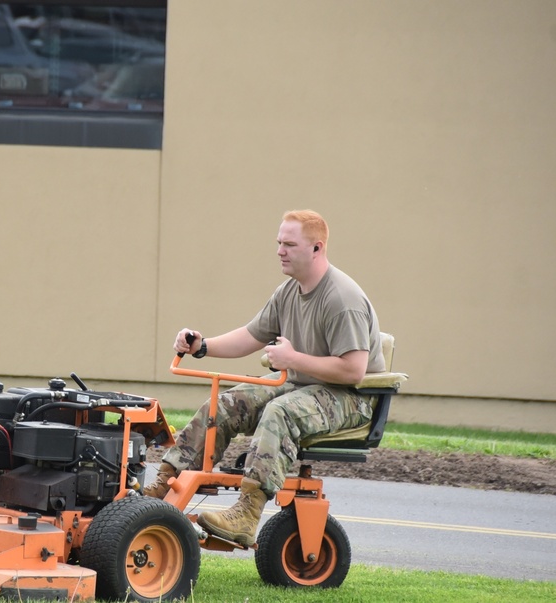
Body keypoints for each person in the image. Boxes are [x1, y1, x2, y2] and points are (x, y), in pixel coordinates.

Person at [144, 209, 385, 546]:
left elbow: (354, 369)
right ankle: (166, 483)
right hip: (303, 387)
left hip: (350, 398)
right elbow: (251, 335)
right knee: (227, 402)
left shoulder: (342, 298)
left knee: (279, 412)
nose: (279, 251)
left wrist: (293, 359)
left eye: (289, 244)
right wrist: (202, 346)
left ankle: (247, 513)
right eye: (278, 243)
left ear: (317, 248)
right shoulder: (288, 292)